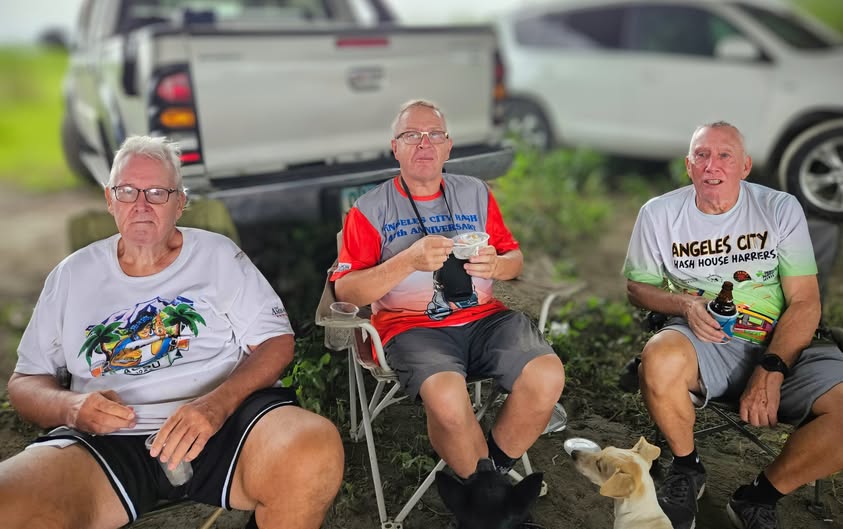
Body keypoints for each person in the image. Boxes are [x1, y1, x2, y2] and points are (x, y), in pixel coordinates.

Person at [0, 136, 344, 529]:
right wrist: (71, 408)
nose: (141, 204)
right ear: (110, 199)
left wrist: (216, 405)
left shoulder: (216, 255)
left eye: (157, 193)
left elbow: (275, 341)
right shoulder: (72, 275)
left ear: (180, 202)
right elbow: (26, 382)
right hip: (107, 443)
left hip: (225, 423)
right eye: (128, 191)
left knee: (313, 450)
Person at [331, 100, 565, 487]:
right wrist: (407, 261)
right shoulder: (370, 209)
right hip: (411, 328)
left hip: (486, 319)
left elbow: (514, 258)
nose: (425, 143)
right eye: (412, 135)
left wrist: (497, 266)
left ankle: (490, 479)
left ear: (448, 146)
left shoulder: (475, 192)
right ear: (395, 147)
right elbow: (346, 291)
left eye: (434, 134)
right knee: (448, 402)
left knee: (547, 376)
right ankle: (491, 494)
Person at [622, 121, 843, 529]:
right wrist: (684, 304)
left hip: (783, 343)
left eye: (725, 155)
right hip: (705, 341)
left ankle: (758, 497)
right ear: (689, 165)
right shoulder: (659, 213)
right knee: (658, 358)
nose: (712, 165)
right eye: (702, 155)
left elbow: (805, 301)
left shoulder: (778, 208)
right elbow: (638, 288)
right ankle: (687, 469)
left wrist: (772, 368)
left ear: (745, 166)